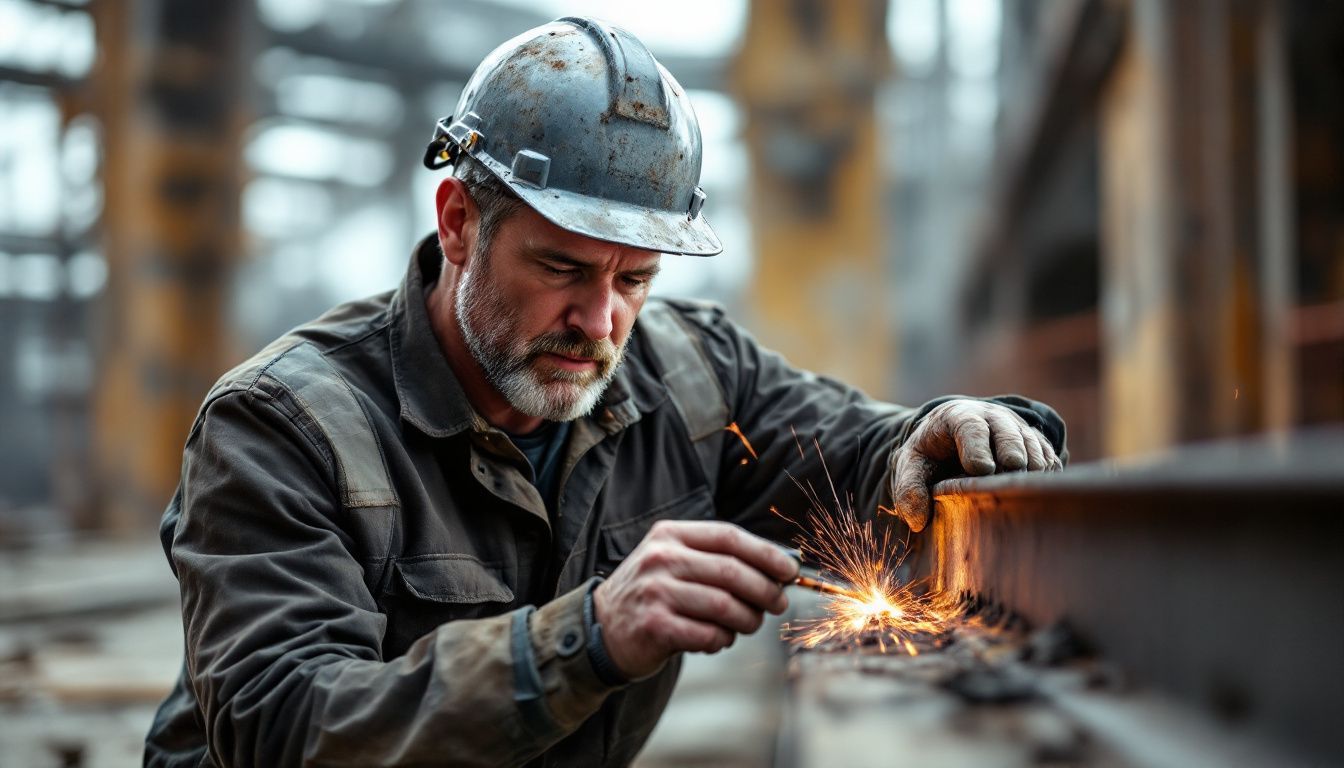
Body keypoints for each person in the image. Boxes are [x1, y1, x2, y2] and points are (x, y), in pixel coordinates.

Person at [144, 16, 1066, 768]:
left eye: (635, 280)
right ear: (460, 222)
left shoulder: (690, 372)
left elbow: (863, 460)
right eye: (561, 267)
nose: (600, 322)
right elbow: (282, 727)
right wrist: (586, 638)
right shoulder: (279, 426)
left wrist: (946, 430)